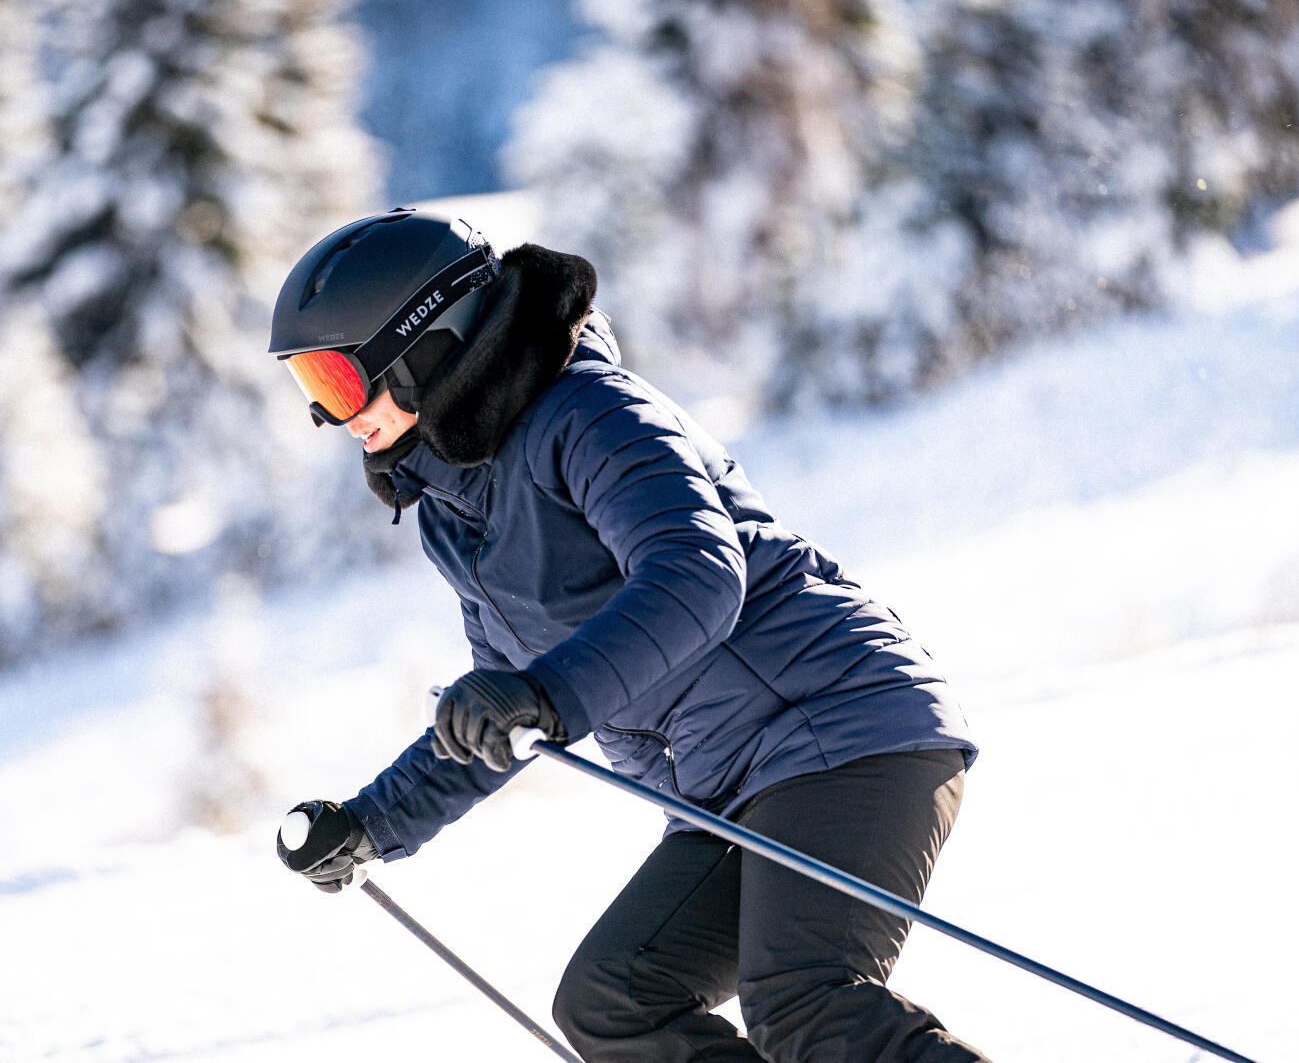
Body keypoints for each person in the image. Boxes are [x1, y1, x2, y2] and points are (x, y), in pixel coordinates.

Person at [269, 209, 989, 1062]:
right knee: (616, 1001)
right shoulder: (456, 511)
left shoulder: (592, 412)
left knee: (804, 1002)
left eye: (341, 383)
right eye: (312, 389)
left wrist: (545, 694)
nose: (331, 417)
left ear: (430, 344)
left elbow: (697, 575)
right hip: (723, 791)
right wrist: (373, 823)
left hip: (837, 728)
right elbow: (504, 697)